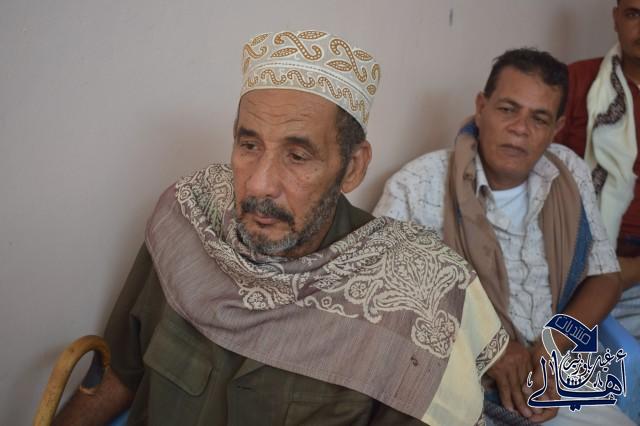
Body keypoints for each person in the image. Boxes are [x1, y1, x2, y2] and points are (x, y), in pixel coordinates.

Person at [53, 30, 507, 426]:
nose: (259, 185)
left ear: (352, 167)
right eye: (249, 145)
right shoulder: (190, 219)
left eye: (297, 155)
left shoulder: (412, 296)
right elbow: (119, 375)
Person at [374, 48, 629, 425]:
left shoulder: (567, 174)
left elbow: (606, 277)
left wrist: (553, 345)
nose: (520, 129)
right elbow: (379, 300)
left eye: (539, 118)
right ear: (481, 108)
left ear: (557, 128)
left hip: (554, 370)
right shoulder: (417, 185)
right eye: (508, 109)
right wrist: (489, 346)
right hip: (450, 374)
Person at [556, 0, 640, 339]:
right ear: (616, 18)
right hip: (574, 263)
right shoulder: (576, 81)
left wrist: (629, 271)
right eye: (634, 14)